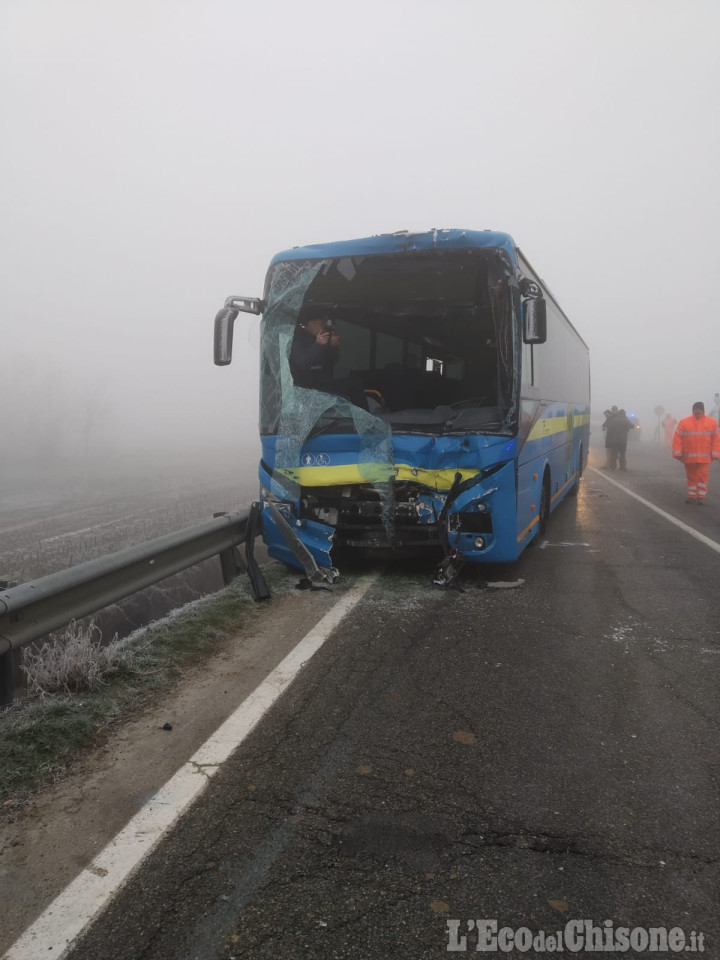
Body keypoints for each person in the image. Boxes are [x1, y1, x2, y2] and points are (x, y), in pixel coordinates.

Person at [672, 401, 720, 503]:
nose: (697, 411)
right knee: (691, 477)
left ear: (703, 410)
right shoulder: (684, 422)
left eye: (699, 409)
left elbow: (716, 439)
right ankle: (692, 496)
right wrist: (677, 454)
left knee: (702, 476)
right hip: (689, 457)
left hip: (705, 457)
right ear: (693, 410)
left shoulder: (712, 422)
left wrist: (715, 454)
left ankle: (701, 496)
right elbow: (677, 438)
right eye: (696, 409)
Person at [289, 316, 341, 392]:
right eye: (321, 323)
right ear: (311, 323)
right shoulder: (297, 339)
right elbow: (302, 364)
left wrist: (334, 347)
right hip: (306, 388)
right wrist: (318, 344)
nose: (323, 326)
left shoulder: (319, 338)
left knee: (354, 383)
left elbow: (331, 362)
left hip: (323, 384)